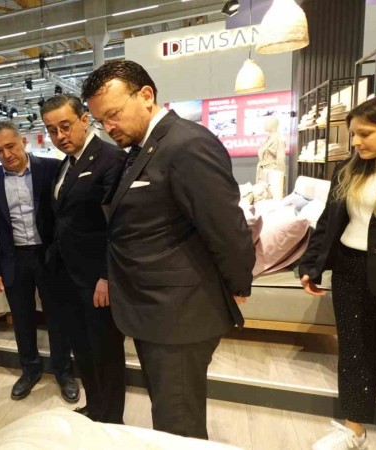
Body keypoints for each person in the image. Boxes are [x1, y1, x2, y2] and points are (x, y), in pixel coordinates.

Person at [81, 60, 254, 439]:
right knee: (170, 413)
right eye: (101, 120)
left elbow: (226, 226)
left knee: (178, 425)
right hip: (155, 311)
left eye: (113, 114)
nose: (108, 127)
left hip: (179, 315)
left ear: (146, 95)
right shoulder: (144, 147)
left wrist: (238, 284)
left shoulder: (187, 144)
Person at [300, 94, 376, 450]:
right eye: (353, 134)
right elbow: (328, 222)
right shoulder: (348, 169)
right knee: (353, 350)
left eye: (365, 133)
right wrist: (311, 266)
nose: (355, 142)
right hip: (350, 270)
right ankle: (354, 429)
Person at [40, 94, 127, 423]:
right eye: (52, 130)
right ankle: (95, 407)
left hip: (97, 279)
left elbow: (118, 226)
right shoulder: (66, 163)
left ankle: (111, 419)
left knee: (106, 350)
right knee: (82, 347)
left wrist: (106, 275)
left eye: (65, 126)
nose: (60, 135)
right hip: (67, 277)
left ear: (84, 120)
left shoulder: (110, 159)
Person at [0, 120, 78, 403]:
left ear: (23, 141)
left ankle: (63, 371)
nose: (6, 154)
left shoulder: (52, 169)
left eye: (10, 146)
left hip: (49, 255)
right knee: (22, 319)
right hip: (14, 259)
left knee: (58, 316)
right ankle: (30, 370)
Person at [255, 116, 287, 183]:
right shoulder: (268, 138)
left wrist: (280, 177)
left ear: (273, 125)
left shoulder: (279, 139)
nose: (265, 125)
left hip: (273, 173)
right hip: (264, 172)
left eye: (267, 123)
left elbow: (281, 159)